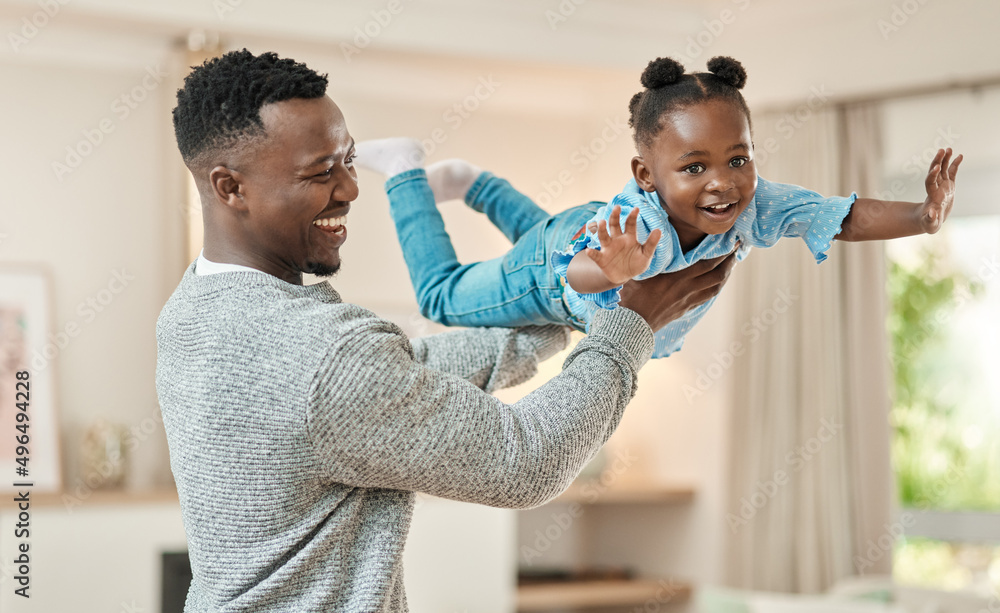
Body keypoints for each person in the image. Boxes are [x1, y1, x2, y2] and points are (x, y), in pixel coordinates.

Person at [155, 49, 736, 612]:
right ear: (230, 187)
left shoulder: (191, 311)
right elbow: (525, 460)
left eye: (350, 161)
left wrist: (564, 312)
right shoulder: (326, 356)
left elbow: (395, 376)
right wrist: (630, 322)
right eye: (320, 172)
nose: (352, 189)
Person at [357, 56, 963, 358]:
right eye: (694, 167)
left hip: (586, 231)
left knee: (548, 228)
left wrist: (921, 217)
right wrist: (611, 271)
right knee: (442, 297)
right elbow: (575, 269)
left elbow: (841, 215)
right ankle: (408, 172)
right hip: (559, 267)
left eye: (738, 159)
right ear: (646, 174)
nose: (723, 184)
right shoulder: (640, 221)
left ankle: (476, 183)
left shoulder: (756, 202)